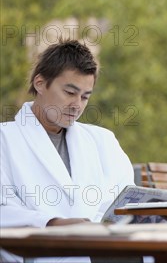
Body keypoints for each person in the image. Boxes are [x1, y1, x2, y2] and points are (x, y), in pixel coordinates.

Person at [0, 39, 135, 263]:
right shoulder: (4, 139)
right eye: (70, 92)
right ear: (40, 83)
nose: (77, 105)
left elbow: (124, 205)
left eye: (85, 96)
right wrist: (52, 223)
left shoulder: (103, 141)